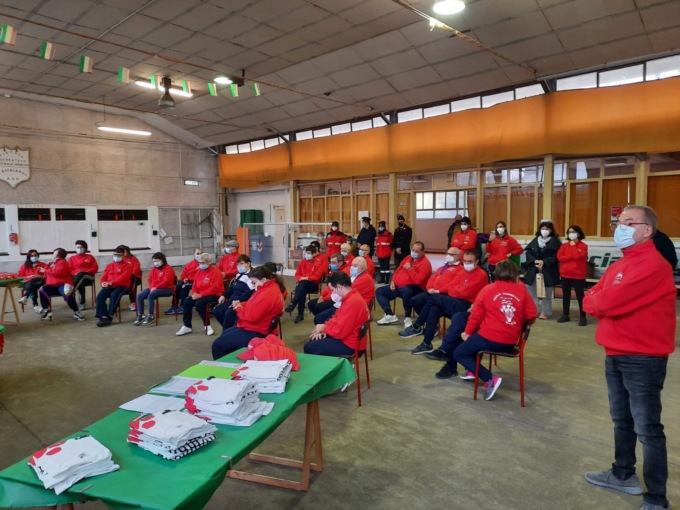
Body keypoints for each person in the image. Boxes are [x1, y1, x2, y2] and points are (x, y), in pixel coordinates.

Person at [583, 205, 676, 510]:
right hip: (615, 352)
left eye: (628, 222)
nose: (619, 228)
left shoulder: (653, 265)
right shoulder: (621, 264)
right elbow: (590, 298)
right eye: (618, 222)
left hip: (643, 358)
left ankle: (656, 499)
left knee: (647, 428)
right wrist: (599, 300)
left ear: (647, 230)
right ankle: (623, 474)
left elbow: (605, 302)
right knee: (621, 419)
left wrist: (600, 301)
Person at [452, 260, 537, 400]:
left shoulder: (488, 289)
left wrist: (467, 332)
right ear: (515, 274)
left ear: (496, 273)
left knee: (460, 353)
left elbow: (475, 316)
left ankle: (489, 378)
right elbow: (531, 315)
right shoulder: (522, 291)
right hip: (511, 341)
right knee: (473, 342)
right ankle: (473, 371)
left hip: (490, 338)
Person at [405, 250, 488, 355]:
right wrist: (455, 290)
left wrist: (455, 291)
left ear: (476, 262)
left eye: (470, 261)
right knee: (434, 308)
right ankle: (426, 343)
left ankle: (417, 325)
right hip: (455, 302)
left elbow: (465, 292)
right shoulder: (461, 272)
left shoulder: (481, 275)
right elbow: (451, 286)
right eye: (465, 261)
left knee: (434, 298)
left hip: (468, 306)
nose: (467, 264)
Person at [211, 265, 285, 359]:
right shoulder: (269, 288)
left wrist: (239, 308)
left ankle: (224, 366)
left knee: (217, 344)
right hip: (258, 327)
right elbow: (253, 303)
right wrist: (241, 304)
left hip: (257, 331)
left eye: (254, 282)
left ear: (263, 280)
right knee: (225, 333)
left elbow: (251, 318)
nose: (253, 285)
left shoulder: (267, 294)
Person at [303, 272, 370, 357]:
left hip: (349, 344)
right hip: (349, 339)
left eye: (333, 290)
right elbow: (336, 317)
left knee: (309, 347)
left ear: (339, 287)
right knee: (314, 341)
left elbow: (340, 333)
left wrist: (324, 328)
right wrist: (324, 327)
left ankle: (329, 365)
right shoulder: (352, 296)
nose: (333, 293)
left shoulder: (352, 302)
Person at [375, 241, 432, 326]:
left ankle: (407, 317)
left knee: (406, 290)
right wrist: (393, 281)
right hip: (398, 286)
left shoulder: (425, 264)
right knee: (379, 291)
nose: (414, 252)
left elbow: (418, 281)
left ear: (423, 252)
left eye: (417, 251)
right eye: (413, 250)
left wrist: (410, 269)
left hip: (416, 289)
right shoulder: (408, 258)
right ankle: (389, 314)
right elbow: (398, 270)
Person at [176, 253, 224, 336]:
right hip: (201, 294)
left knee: (199, 303)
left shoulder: (216, 272)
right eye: (200, 263)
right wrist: (194, 293)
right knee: (187, 301)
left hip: (215, 295)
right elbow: (195, 284)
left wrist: (201, 295)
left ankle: (207, 326)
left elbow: (215, 288)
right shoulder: (199, 271)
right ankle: (187, 326)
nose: (201, 264)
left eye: (203, 263)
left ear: (209, 262)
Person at [523, 219, 561, 319]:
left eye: (547, 229)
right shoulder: (535, 240)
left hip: (548, 271)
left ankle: (545, 312)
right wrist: (534, 261)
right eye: (543, 229)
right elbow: (528, 253)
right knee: (531, 292)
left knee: (546, 294)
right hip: (533, 270)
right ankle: (533, 311)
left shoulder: (555, 242)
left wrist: (544, 261)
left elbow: (556, 256)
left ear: (551, 230)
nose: (544, 231)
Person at [38, 248, 85, 322]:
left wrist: (46, 270)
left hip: (63, 284)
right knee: (42, 290)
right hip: (52, 286)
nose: (53, 254)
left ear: (58, 254)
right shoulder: (54, 263)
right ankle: (46, 310)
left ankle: (76, 312)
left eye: (54, 253)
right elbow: (47, 274)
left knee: (67, 294)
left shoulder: (62, 262)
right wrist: (47, 266)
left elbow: (59, 273)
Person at [556, 225, 588, 326]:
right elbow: (560, 257)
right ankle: (566, 315)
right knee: (566, 295)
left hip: (578, 275)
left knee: (580, 296)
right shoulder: (564, 246)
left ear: (578, 233)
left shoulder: (583, 246)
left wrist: (573, 247)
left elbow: (578, 256)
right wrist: (571, 256)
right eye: (569, 232)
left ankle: (583, 317)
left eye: (573, 232)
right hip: (565, 274)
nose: (571, 234)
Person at [212, 254, 255, 330]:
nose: (239, 266)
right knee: (217, 310)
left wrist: (238, 300)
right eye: (238, 264)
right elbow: (232, 287)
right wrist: (224, 295)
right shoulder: (239, 275)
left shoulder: (252, 276)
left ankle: (227, 332)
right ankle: (229, 330)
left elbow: (249, 293)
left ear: (248, 264)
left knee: (229, 313)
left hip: (243, 302)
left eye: (241, 264)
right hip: (233, 300)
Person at [285, 244, 325, 323]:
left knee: (301, 286)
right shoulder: (302, 262)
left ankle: (293, 303)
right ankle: (300, 315)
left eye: (309, 253)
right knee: (302, 290)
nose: (307, 254)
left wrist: (307, 278)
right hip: (302, 284)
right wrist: (301, 278)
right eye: (306, 253)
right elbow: (297, 274)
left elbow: (317, 277)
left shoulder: (318, 264)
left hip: (314, 285)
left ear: (314, 254)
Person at [133, 252, 176, 326]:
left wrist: (156, 287)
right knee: (140, 295)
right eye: (154, 261)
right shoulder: (154, 269)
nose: (155, 263)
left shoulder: (169, 269)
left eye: (157, 261)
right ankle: (141, 314)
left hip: (167, 288)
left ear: (162, 260)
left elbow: (166, 281)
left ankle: (151, 315)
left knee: (151, 295)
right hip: (154, 288)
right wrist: (152, 287)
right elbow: (150, 279)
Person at [94, 247, 133, 327]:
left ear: (123, 256)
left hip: (122, 286)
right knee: (100, 296)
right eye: (115, 255)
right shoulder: (109, 265)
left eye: (119, 255)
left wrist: (112, 282)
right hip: (109, 286)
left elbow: (124, 277)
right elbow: (104, 276)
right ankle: (103, 316)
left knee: (114, 295)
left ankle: (110, 315)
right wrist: (103, 283)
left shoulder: (127, 266)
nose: (116, 257)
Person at [308, 253, 350, 324]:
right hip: (331, 296)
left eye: (333, 262)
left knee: (318, 307)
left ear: (340, 262)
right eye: (330, 262)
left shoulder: (344, 273)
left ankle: (324, 322)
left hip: (338, 299)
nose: (331, 264)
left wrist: (324, 298)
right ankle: (323, 322)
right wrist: (322, 296)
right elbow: (329, 287)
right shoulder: (334, 270)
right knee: (311, 304)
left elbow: (336, 291)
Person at [166, 248, 203, 315]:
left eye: (201, 254)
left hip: (197, 281)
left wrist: (190, 279)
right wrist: (184, 278)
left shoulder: (203, 264)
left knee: (184, 287)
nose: (199, 255)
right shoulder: (189, 265)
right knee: (177, 287)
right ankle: (174, 306)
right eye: (197, 253)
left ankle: (183, 306)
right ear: (193, 254)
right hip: (187, 280)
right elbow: (183, 274)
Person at [68, 240, 99, 311]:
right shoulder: (72, 258)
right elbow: (69, 270)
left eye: (81, 247)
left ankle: (72, 290)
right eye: (77, 247)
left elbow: (95, 268)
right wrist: (76, 273)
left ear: (85, 248)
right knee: (81, 283)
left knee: (82, 274)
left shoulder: (90, 257)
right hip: (77, 278)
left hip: (88, 277)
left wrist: (85, 271)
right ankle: (82, 303)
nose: (79, 249)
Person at [117, 245, 142, 311]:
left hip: (134, 277)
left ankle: (132, 302)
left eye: (125, 251)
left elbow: (136, 269)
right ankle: (116, 304)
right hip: (122, 278)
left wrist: (128, 274)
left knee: (132, 283)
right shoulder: (119, 259)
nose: (124, 253)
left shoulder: (133, 259)